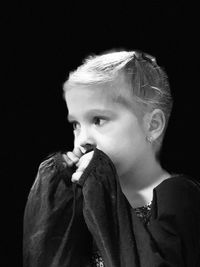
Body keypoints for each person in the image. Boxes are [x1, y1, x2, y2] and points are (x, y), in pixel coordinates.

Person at [23, 50, 200, 267]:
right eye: (76, 125)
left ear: (152, 125)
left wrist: (101, 185)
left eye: (98, 120)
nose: (82, 141)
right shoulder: (82, 207)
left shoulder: (179, 199)